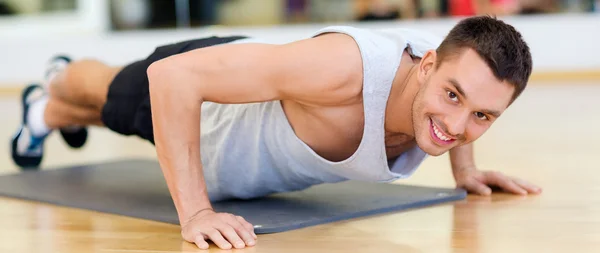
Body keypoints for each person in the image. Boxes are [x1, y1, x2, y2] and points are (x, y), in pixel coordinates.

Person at [11, 15, 542, 250]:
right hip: (208, 111)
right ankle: (59, 77)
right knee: (109, 94)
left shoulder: (452, 68)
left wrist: (466, 171)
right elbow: (171, 79)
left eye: (482, 117)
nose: (456, 125)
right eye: (452, 97)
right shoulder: (345, 69)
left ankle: (45, 113)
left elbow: (465, 102)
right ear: (426, 66)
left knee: (97, 111)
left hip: (245, 132)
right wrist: (195, 214)